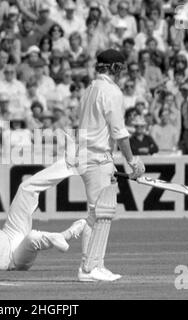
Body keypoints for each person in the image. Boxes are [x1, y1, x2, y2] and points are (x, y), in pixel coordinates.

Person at [72, 49, 145, 282]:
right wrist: (132, 161)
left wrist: (110, 160)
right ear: (113, 68)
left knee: (101, 213)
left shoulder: (90, 89)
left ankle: (96, 265)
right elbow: (119, 132)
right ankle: (88, 268)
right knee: (97, 213)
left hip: (90, 156)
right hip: (96, 156)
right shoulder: (111, 91)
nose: (122, 73)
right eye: (120, 68)